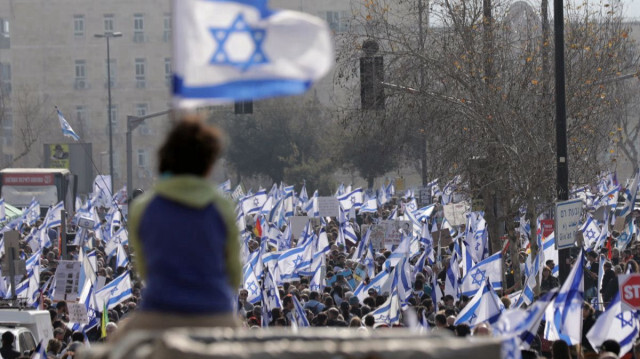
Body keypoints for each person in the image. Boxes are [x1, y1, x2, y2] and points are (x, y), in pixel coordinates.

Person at [114, 116, 241, 340]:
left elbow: (145, 271)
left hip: (159, 313)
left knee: (113, 345)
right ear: (209, 164)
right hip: (215, 314)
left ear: (165, 159)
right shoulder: (223, 206)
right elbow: (233, 273)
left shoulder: (142, 208)